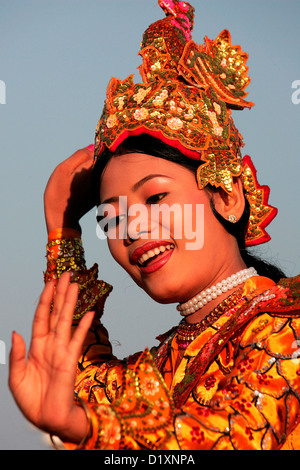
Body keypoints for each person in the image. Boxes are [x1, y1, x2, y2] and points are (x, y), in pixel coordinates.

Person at [9, 0, 300, 450]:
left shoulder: (287, 329)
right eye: (113, 215)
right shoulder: (161, 363)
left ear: (225, 194)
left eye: (157, 197)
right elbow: (78, 392)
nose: (133, 228)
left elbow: (222, 437)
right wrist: (63, 231)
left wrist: (88, 428)